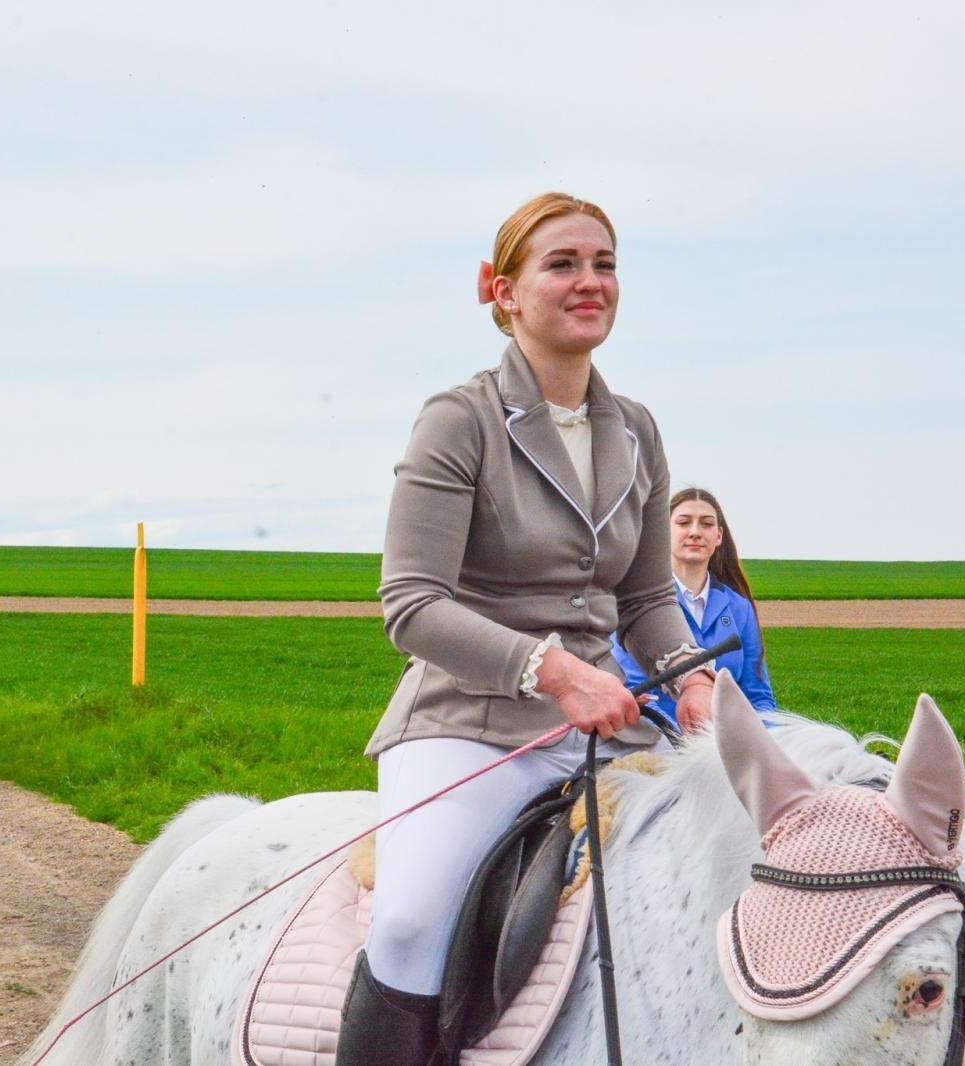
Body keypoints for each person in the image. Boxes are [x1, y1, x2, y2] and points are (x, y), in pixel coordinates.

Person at [337, 193, 715, 1066]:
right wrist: (555, 673)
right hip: (471, 724)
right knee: (406, 919)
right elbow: (412, 605)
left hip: (609, 724)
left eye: (605, 264)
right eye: (563, 265)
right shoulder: (457, 421)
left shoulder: (639, 430)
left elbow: (648, 597)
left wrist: (692, 676)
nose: (591, 282)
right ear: (499, 291)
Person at [610, 487, 777, 719]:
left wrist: (756, 744)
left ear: (718, 536)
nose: (695, 532)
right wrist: (686, 747)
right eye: (684, 522)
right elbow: (639, 695)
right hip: (661, 745)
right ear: (662, 532)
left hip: (729, 747)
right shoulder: (635, 604)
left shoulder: (740, 607)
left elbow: (758, 696)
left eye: (706, 524)